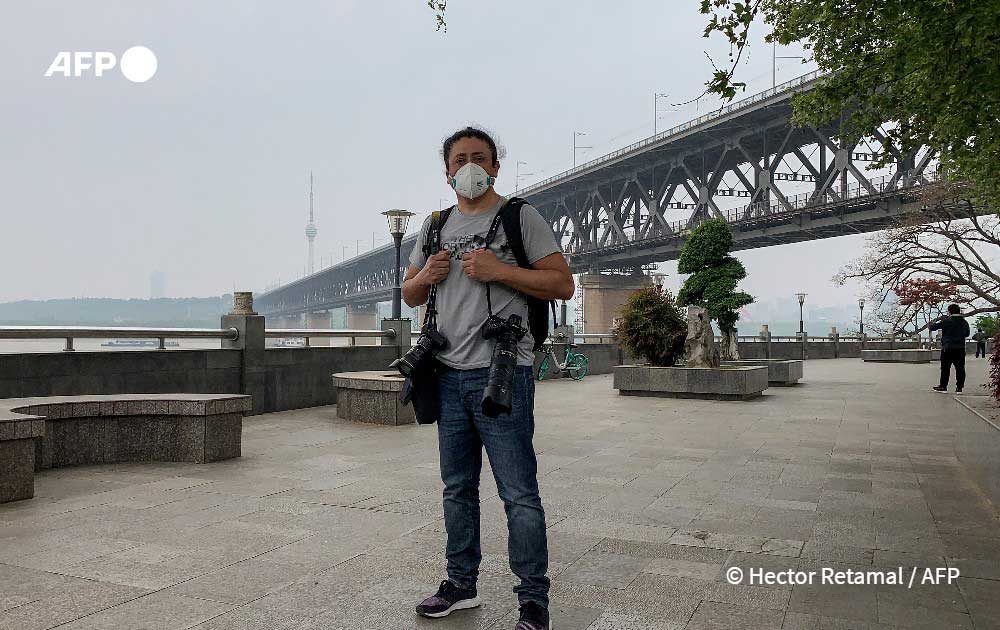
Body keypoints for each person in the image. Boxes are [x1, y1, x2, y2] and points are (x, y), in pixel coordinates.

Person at [402, 127, 573, 630]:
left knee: (519, 493)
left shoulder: (521, 217)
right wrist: (426, 276)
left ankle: (533, 600)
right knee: (456, 489)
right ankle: (461, 584)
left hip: (503, 373)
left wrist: (500, 270)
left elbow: (561, 283)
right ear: (447, 171)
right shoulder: (434, 226)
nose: (470, 166)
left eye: (480, 157)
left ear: (496, 167)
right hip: (448, 375)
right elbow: (409, 294)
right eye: (460, 159)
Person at [930, 304, 971, 393]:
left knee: (945, 368)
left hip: (948, 348)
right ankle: (959, 388)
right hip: (960, 348)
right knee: (960, 368)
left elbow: (933, 328)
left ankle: (943, 386)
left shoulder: (947, 321)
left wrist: (932, 323)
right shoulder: (964, 322)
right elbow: (967, 334)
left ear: (949, 311)